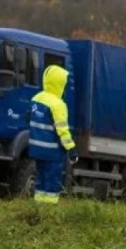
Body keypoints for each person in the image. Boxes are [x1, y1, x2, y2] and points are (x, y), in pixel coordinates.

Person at [28, 64, 77, 204]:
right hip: (52, 151)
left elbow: (28, 118)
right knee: (52, 180)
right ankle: (50, 208)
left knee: (40, 178)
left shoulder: (36, 98)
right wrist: (71, 149)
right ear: (59, 83)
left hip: (36, 149)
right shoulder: (58, 104)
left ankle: (39, 206)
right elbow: (62, 131)